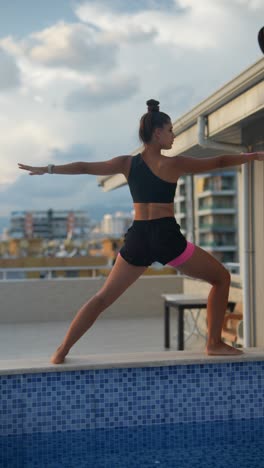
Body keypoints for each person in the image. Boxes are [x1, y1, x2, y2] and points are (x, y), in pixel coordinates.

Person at [18, 99, 264, 364]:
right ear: (157, 133)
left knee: (102, 298)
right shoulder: (175, 164)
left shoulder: (126, 163)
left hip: (139, 238)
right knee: (221, 278)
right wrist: (252, 156)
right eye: (170, 130)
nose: (173, 135)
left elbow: (85, 167)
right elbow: (219, 161)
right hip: (168, 239)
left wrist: (48, 169)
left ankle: (61, 351)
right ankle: (214, 343)